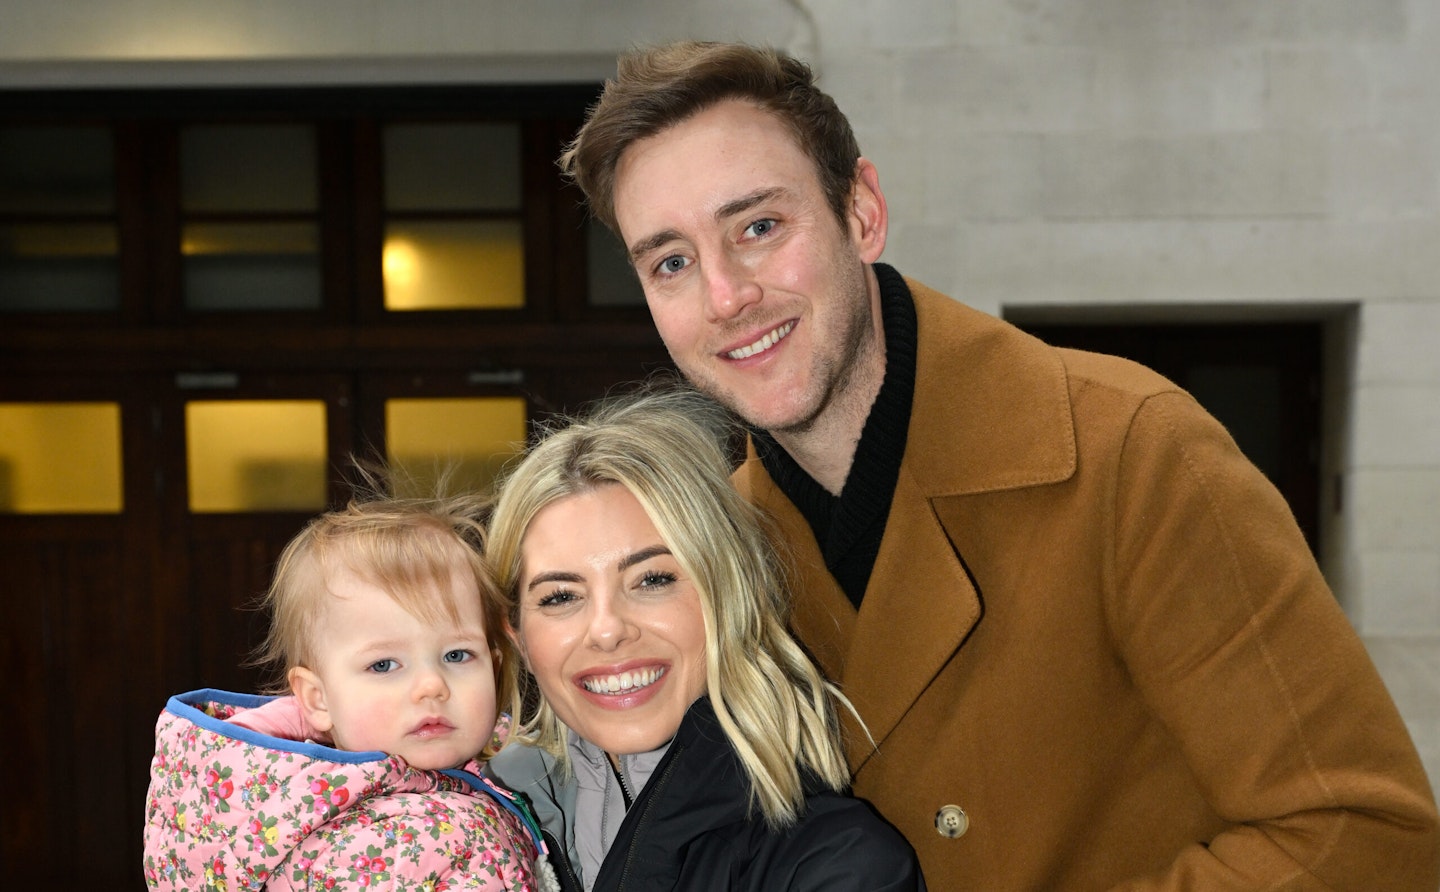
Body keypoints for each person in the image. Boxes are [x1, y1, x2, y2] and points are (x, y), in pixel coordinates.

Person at [556, 40, 1440, 890]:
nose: (726, 296)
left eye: (758, 225)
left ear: (862, 213)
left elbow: (1365, 843)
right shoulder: (717, 548)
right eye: (671, 262)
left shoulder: (1133, 451)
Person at [482, 386, 925, 891]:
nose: (606, 630)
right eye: (560, 596)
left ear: (726, 596)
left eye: (653, 579)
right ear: (516, 634)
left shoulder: (839, 864)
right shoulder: (461, 827)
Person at [142, 490, 552, 892]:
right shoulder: (406, 840)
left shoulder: (507, 775)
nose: (432, 686)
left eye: (457, 655)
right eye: (384, 665)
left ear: (494, 667)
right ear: (318, 699)